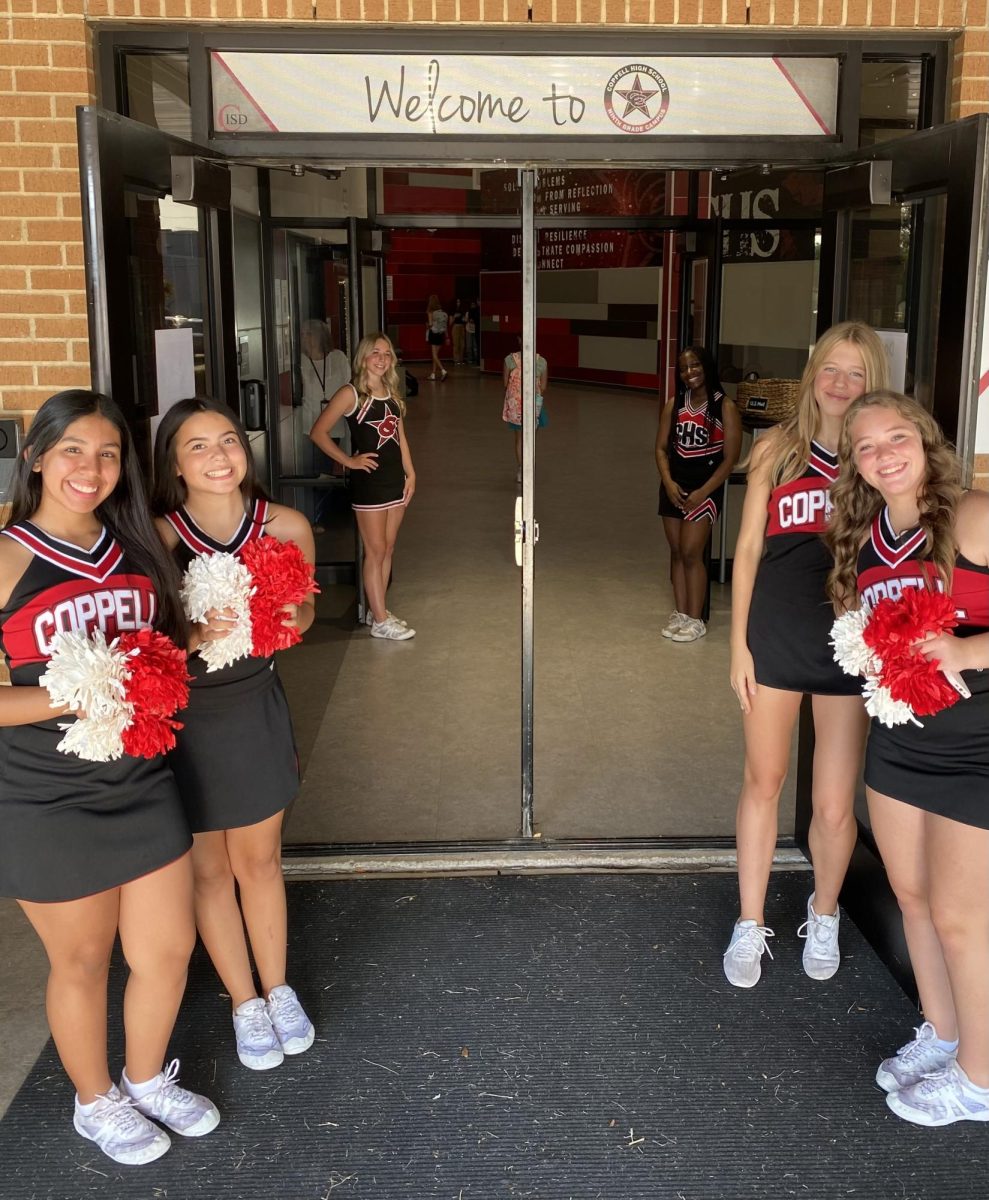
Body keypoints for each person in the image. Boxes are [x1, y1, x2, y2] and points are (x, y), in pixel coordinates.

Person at [0, 390, 219, 1165]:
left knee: (166, 949)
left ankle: (145, 1077)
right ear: (36, 459)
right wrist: (70, 692)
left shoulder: (134, 547)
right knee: (83, 960)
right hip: (45, 793)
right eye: (71, 452)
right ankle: (95, 1100)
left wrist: (205, 633)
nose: (89, 470)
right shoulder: (8, 558)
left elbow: (157, 646)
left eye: (108, 454)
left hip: (140, 774)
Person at [826, 391, 989, 1127]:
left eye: (897, 437)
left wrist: (965, 649)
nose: (884, 453)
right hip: (899, 740)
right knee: (914, 896)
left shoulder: (972, 514)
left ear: (925, 442)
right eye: (865, 446)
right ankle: (945, 1034)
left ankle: (980, 1082)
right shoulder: (864, 536)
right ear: (854, 463)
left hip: (978, 746)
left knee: (962, 917)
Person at [152, 397, 317, 1074]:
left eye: (228, 440)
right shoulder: (157, 536)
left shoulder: (286, 523)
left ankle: (278, 989)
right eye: (198, 446)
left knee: (259, 861)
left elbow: (305, 611)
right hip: (186, 717)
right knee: (208, 870)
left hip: (252, 706)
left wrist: (290, 611)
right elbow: (149, 641)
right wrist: (192, 634)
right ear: (174, 463)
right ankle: (243, 1000)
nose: (219, 457)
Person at [724, 321, 890, 988]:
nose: (841, 385)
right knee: (762, 782)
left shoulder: (878, 458)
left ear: (871, 383)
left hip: (846, 646)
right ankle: (748, 921)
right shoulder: (774, 450)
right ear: (812, 372)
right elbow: (745, 553)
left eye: (856, 374)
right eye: (832, 369)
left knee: (831, 804)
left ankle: (823, 912)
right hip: (772, 637)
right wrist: (735, 644)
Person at [310, 332, 416, 640]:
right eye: (375, 353)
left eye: (386, 354)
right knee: (376, 549)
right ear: (363, 358)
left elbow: (400, 437)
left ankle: (377, 610)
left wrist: (411, 473)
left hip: (396, 479)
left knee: (389, 548)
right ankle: (381, 622)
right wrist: (348, 460)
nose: (382, 359)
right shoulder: (351, 393)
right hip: (369, 483)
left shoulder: (391, 391)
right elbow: (318, 432)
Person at [656, 346, 741, 642]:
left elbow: (730, 459)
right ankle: (680, 614)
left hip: (704, 489)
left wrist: (703, 492)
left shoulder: (723, 407)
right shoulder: (674, 405)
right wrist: (667, 482)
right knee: (677, 552)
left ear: (706, 367)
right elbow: (661, 449)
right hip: (674, 487)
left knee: (692, 552)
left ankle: (695, 619)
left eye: (694, 366)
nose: (689, 372)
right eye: (683, 368)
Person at [503, 338, 548, 484]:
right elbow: (543, 387)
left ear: (519, 341)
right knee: (531, 438)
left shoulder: (509, 360)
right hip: (533, 405)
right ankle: (529, 468)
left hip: (516, 406)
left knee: (519, 438)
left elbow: (505, 384)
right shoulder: (541, 361)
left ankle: (521, 469)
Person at [425, 295, 448, 381]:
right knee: (436, 355)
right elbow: (445, 326)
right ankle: (433, 374)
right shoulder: (442, 312)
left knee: (434, 355)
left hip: (433, 334)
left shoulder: (430, 311)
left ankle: (443, 371)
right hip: (440, 334)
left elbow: (430, 324)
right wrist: (447, 337)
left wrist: (427, 325)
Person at [451, 299, 466, 365]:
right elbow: (450, 322)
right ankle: (456, 360)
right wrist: (454, 317)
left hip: (462, 326)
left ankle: (461, 359)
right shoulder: (452, 310)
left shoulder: (462, 310)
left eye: (459, 302)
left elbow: (464, 319)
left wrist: (464, 319)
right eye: (457, 302)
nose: (458, 303)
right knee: (456, 343)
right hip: (455, 326)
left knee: (462, 344)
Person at [466, 299, 480, 365]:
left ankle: (476, 359)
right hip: (469, 329)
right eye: (472, 305)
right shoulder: (469, 312)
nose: (473, 306)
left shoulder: (477, 310)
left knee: (475, 346)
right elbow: (468, 320)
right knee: (469, 345)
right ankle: (470, 359)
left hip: (475, 330)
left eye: (474, 304)